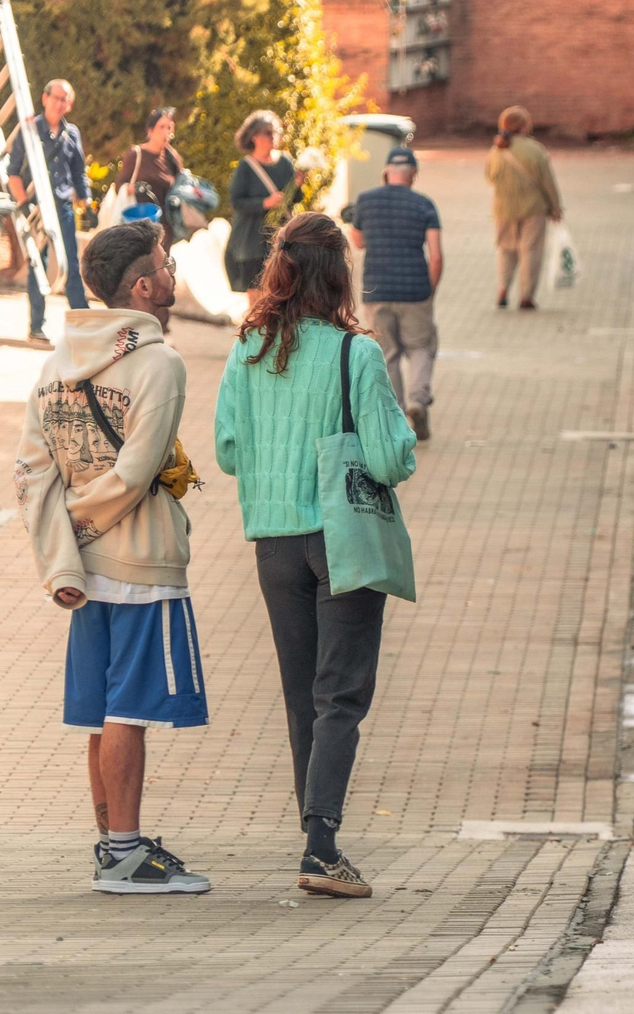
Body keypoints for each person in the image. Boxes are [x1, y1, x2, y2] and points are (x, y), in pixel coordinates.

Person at [213, 212, 416, 899]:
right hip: (342, 541)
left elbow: (229, 450)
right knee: (341, 696)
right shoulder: (355, 354)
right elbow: (389, 457)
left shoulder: (248, 348)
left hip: (274, 543)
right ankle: (320, 845)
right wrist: (401, 438)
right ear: (338, 274)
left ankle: (316, 840)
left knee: (304, 695)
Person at [14, 220, 210, 895]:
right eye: (166, 262)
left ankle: (114, 848)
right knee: (129, 709)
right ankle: (126, 857)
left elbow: (31, 475)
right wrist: (88, 526)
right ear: (145, 285)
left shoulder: (53, 364)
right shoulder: (159, 363)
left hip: (87, 571)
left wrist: (63, 559)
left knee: (103, 712)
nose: (175, 272)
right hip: (142, 562)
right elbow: (136, 470)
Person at [348, 147, 443, 441]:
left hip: (376, 288)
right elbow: (436, 256)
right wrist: (429, 291)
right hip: (415, 288)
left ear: (386, 173)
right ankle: (418, 399)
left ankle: (398, 416)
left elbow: (358, 241)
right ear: (412, 174)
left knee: (387, 353)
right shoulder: (424, 205)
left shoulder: (366, 201)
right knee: (420, 347)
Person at [7, 78, 89, 347]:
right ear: (44, 98)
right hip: (36, 208)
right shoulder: (30, 128)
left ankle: (83, 324)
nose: (59, 103)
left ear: (70, 104)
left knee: (72, 264)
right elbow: (13, 171)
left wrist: (86, 203)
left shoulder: (72, 133)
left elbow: (78, 172)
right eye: (55, 97)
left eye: (65, 99)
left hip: (63, 207)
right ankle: (37, 326)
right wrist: (23, 204)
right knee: (37, 265)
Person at [484, 106, 563, 311]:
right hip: (533, 209)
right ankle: (526, 296)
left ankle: (503, 289)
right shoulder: (535, 149)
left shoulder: (496, 150)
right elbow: (548, 182)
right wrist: (555, 207)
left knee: (505, 250)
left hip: (503, 210)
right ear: (523, 126)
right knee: (531, 251)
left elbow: (489, 178)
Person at [225, 110, 302, 306]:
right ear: (254, 137)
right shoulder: (246, 167)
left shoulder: (285, 162)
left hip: (279, 237)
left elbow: (295, 199)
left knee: (279, 289)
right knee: (256, 296)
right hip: (252, 241)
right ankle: (256, 332)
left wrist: (297, 185)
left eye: (276, 131)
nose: (273, 136)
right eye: (268, 132)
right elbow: (236, 202)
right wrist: (264, 203)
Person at [113, 107, 184, 245]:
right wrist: (133, 189)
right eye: (161, 127)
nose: (166, 132)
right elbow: (119, 186)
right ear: (150, 130)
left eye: (169, 127)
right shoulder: (136, 154)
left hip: (165, 230)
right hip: (138, 226)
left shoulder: (173, 158)